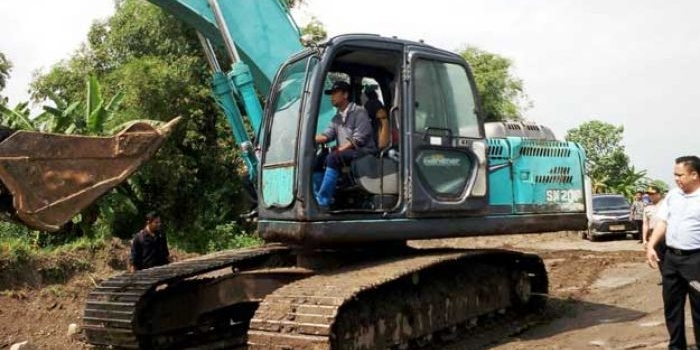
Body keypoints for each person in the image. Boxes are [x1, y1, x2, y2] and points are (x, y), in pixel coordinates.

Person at [646, 156, 700, 350]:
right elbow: (663, 222)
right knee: (672, 307)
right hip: (671, 259)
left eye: (680, 175)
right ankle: (676, 346)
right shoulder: (673, 196)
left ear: (694, 175)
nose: (676, 179)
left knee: (699, 310)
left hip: (695, 261)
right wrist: (651, 245)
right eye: (674, 175)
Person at [314, 80, 376, 209]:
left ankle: (323, 201)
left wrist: (341, 149)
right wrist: (309, 138)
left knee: (333, 157)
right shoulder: (336, 118)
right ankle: (320, 198)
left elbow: (359, 138)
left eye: (335, 93)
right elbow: (327, 136)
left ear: (345, 95)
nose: (332, 97)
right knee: (318, 161)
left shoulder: (359, 112)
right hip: (347, 152)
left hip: (364, 151)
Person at [642, 185, 666, 278]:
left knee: (669, 258)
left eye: (653, 194)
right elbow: (645, 224)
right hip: (653, 235)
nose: (651, 196)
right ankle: (664, 277)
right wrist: (644, 239)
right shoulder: (647, 208)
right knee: (659, 258)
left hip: (666, 235)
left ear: (659, 194)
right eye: (649, 194)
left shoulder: (666, 204)